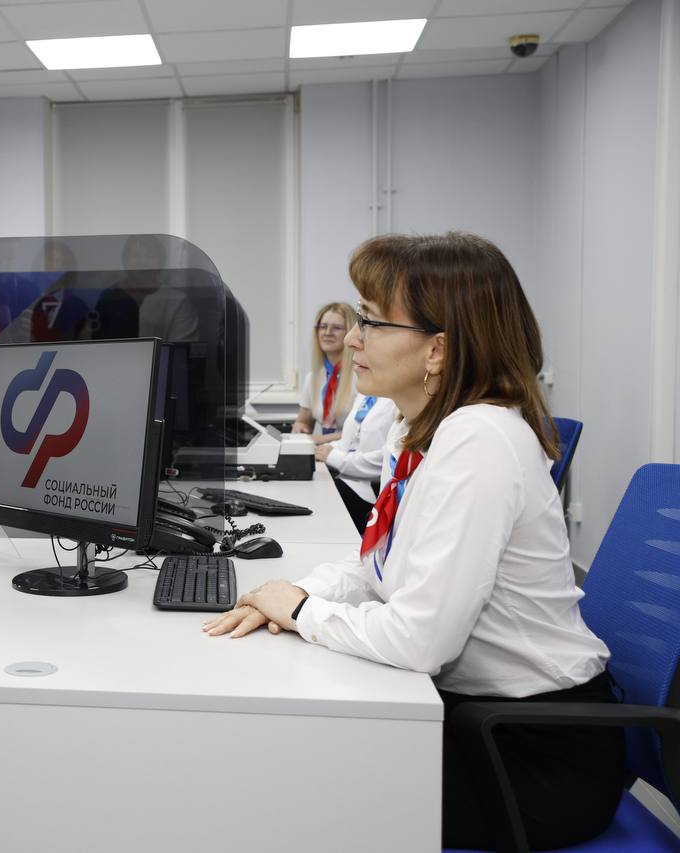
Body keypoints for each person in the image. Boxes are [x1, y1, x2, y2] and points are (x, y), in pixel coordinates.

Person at [203, 232, 624, 850]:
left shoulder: (480, 441)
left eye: (372, 322)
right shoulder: (418, 429)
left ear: (438, 349)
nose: (353, 338)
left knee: (283, 782)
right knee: (279, 752)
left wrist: (301, 612)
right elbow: (377, 564)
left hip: (533, 754)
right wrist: (292, 593)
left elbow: (420, 641)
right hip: (471, 715)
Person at [316, 391, 396, 533]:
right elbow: (350, 441)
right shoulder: (365, 395)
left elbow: (388, 457)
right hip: (348, 478)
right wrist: (326, 449)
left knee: (320, 500)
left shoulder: (397, 400)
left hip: (371, 490)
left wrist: (335, 457)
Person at [292, 302, 357, 441]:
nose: (327, 333)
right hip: (323, 451)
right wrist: (300, 427)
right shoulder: (313, 378)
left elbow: (362, 431)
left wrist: (320, 440)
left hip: (352, 452)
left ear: (351, 333)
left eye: (336, 328)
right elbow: (303, 421)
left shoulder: (361, 376)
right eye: (323, 327)